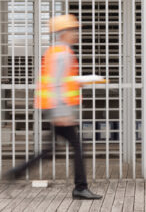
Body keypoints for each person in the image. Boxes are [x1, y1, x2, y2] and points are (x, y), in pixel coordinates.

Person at [4, 14, 102, 200]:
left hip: (54, 108)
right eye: (73, 30)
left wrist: (79, 82)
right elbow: (56, 84)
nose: (76, 33)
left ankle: (17, 172)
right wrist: (62, 113)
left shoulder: (57, 51)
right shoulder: (62, 54)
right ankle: (80, 187)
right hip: (59, 110)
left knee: (50, 150)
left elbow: (61, 81)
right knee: (78, 147)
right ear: (63, 33)